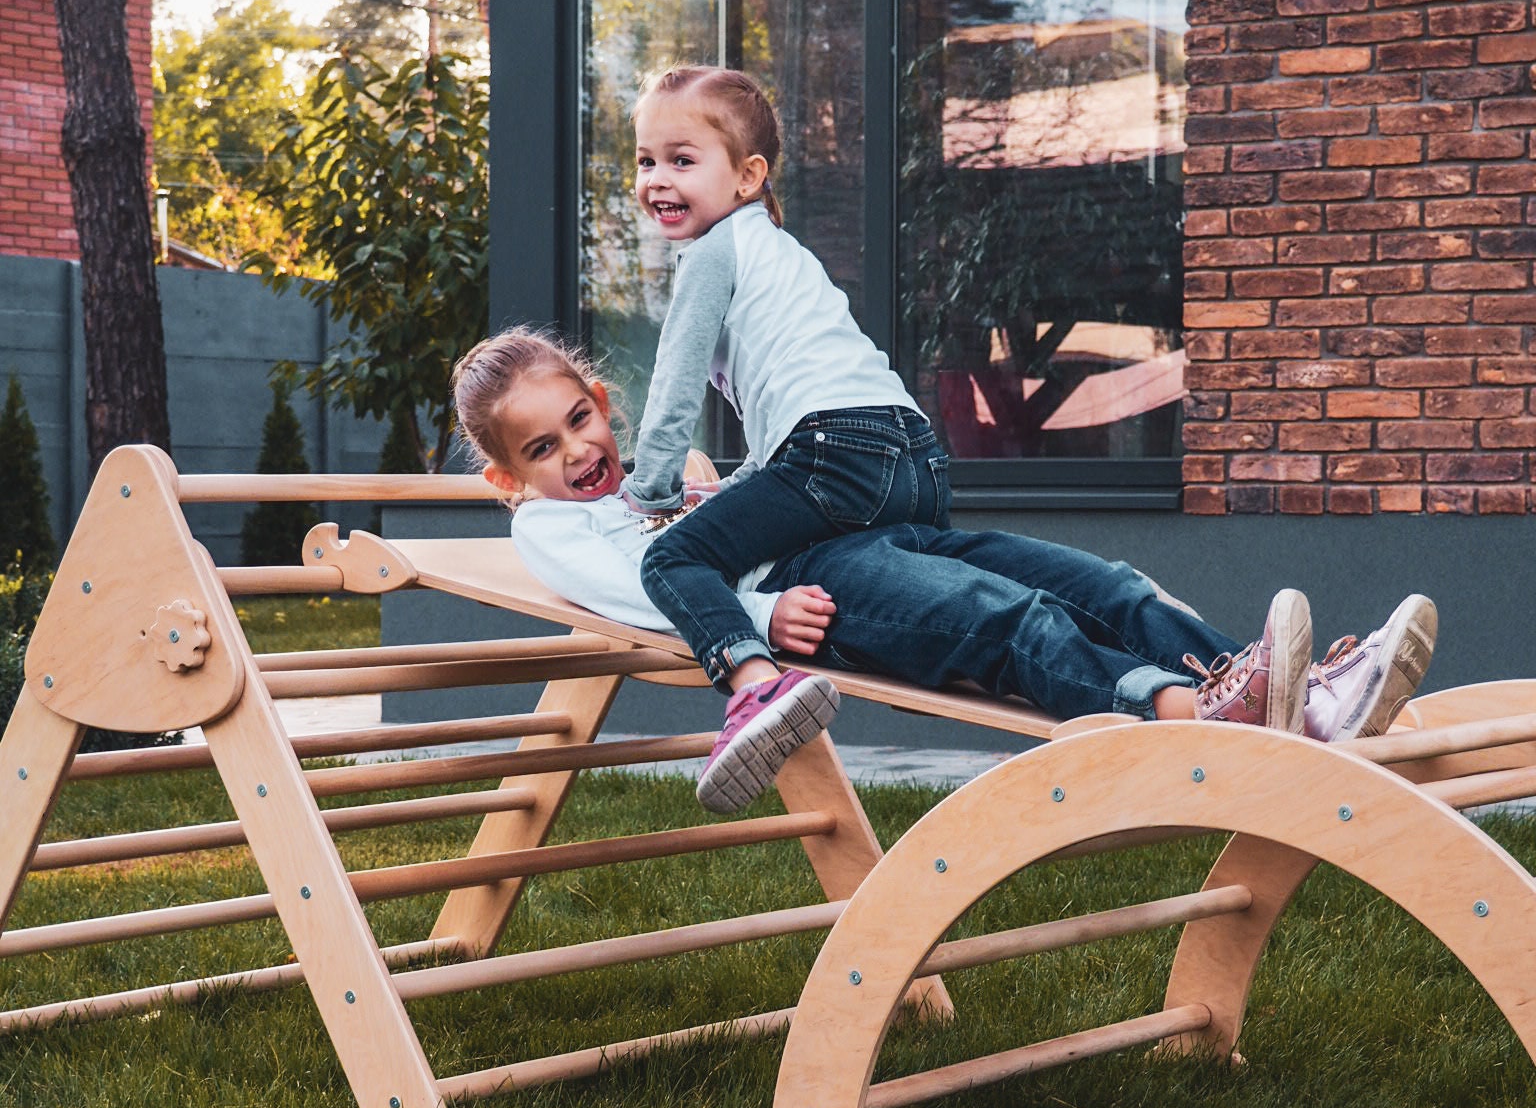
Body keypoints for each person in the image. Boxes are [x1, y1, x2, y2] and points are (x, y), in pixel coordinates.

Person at [451, 328, 1439, 812]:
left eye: (579, 418)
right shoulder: (550, 527)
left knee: (1093, 580)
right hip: (819, 594)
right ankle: (1194, 713)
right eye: (541, 448)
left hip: (845, 543)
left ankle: (1287, 690)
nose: (575, 451)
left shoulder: (648, 478)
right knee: (1009, 617)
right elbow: (648, 583)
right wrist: (754, 606)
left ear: (600, 399)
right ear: (509, 473)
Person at [616, 63, 950, 805]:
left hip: (838, 448)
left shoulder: (711, 255)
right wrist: (732, 489)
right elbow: (786, 429)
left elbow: (674, 384)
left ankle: (753, 688)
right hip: (912, 455)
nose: (656, 180)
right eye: (645, 161)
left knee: (674, 560)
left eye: (681, 160)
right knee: (867, 576)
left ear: (746, 176)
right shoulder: (778, 248)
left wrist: (652, 490)